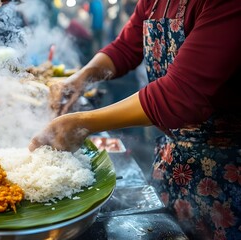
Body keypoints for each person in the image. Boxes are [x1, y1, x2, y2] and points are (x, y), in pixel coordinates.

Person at [29, 1, 241, 239]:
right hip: (175, 160)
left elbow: (181, 94)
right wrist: (79, 79)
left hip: (226, 170)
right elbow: (124, 49)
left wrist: (83, 123)